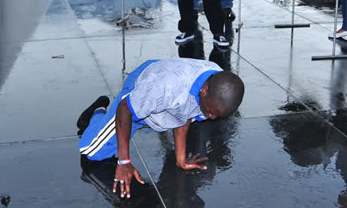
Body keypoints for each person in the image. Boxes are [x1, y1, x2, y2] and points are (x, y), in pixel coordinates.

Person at [77, 58, 245, 198]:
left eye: (217, 115)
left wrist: (181, 159)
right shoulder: (163, 87)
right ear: (204, 90)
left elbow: (185, 114)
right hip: (140, 92)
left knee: (182, 105)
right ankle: (97, 112)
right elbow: (125, 108)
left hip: (163, 96)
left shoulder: (217, 82)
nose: (211, 117)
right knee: (92, 152)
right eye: (211, 111)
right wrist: (124, 161)